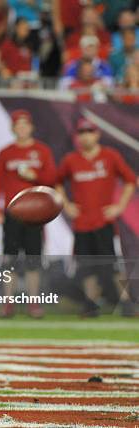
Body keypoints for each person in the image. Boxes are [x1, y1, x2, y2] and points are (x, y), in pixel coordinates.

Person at [56, 118, 136, 317]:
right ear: (77, 136)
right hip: (82, 223)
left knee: (115, 264)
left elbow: (130, 181)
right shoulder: (71, 160)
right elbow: (56, 182)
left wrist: (120, 207)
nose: (85, 136)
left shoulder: (110, 156)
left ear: (97, 134)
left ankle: (126, 303)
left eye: (89, 132)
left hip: (105, 222)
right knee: (86, 266)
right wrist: (66, 205)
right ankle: (91, 305)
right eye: (81, 132)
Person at [0, 110, 56, 319]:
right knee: (9, 258)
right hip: (13, 213)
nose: (21, 128)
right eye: (17, 125)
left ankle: (33, 303)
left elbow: (51, 180)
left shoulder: (42, 150)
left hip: (35, 213)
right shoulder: (5, 152)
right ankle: (7, 303)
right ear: (13, 128)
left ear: (31, 127)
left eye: (25, 124)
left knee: (33, 259)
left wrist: (34, 175)